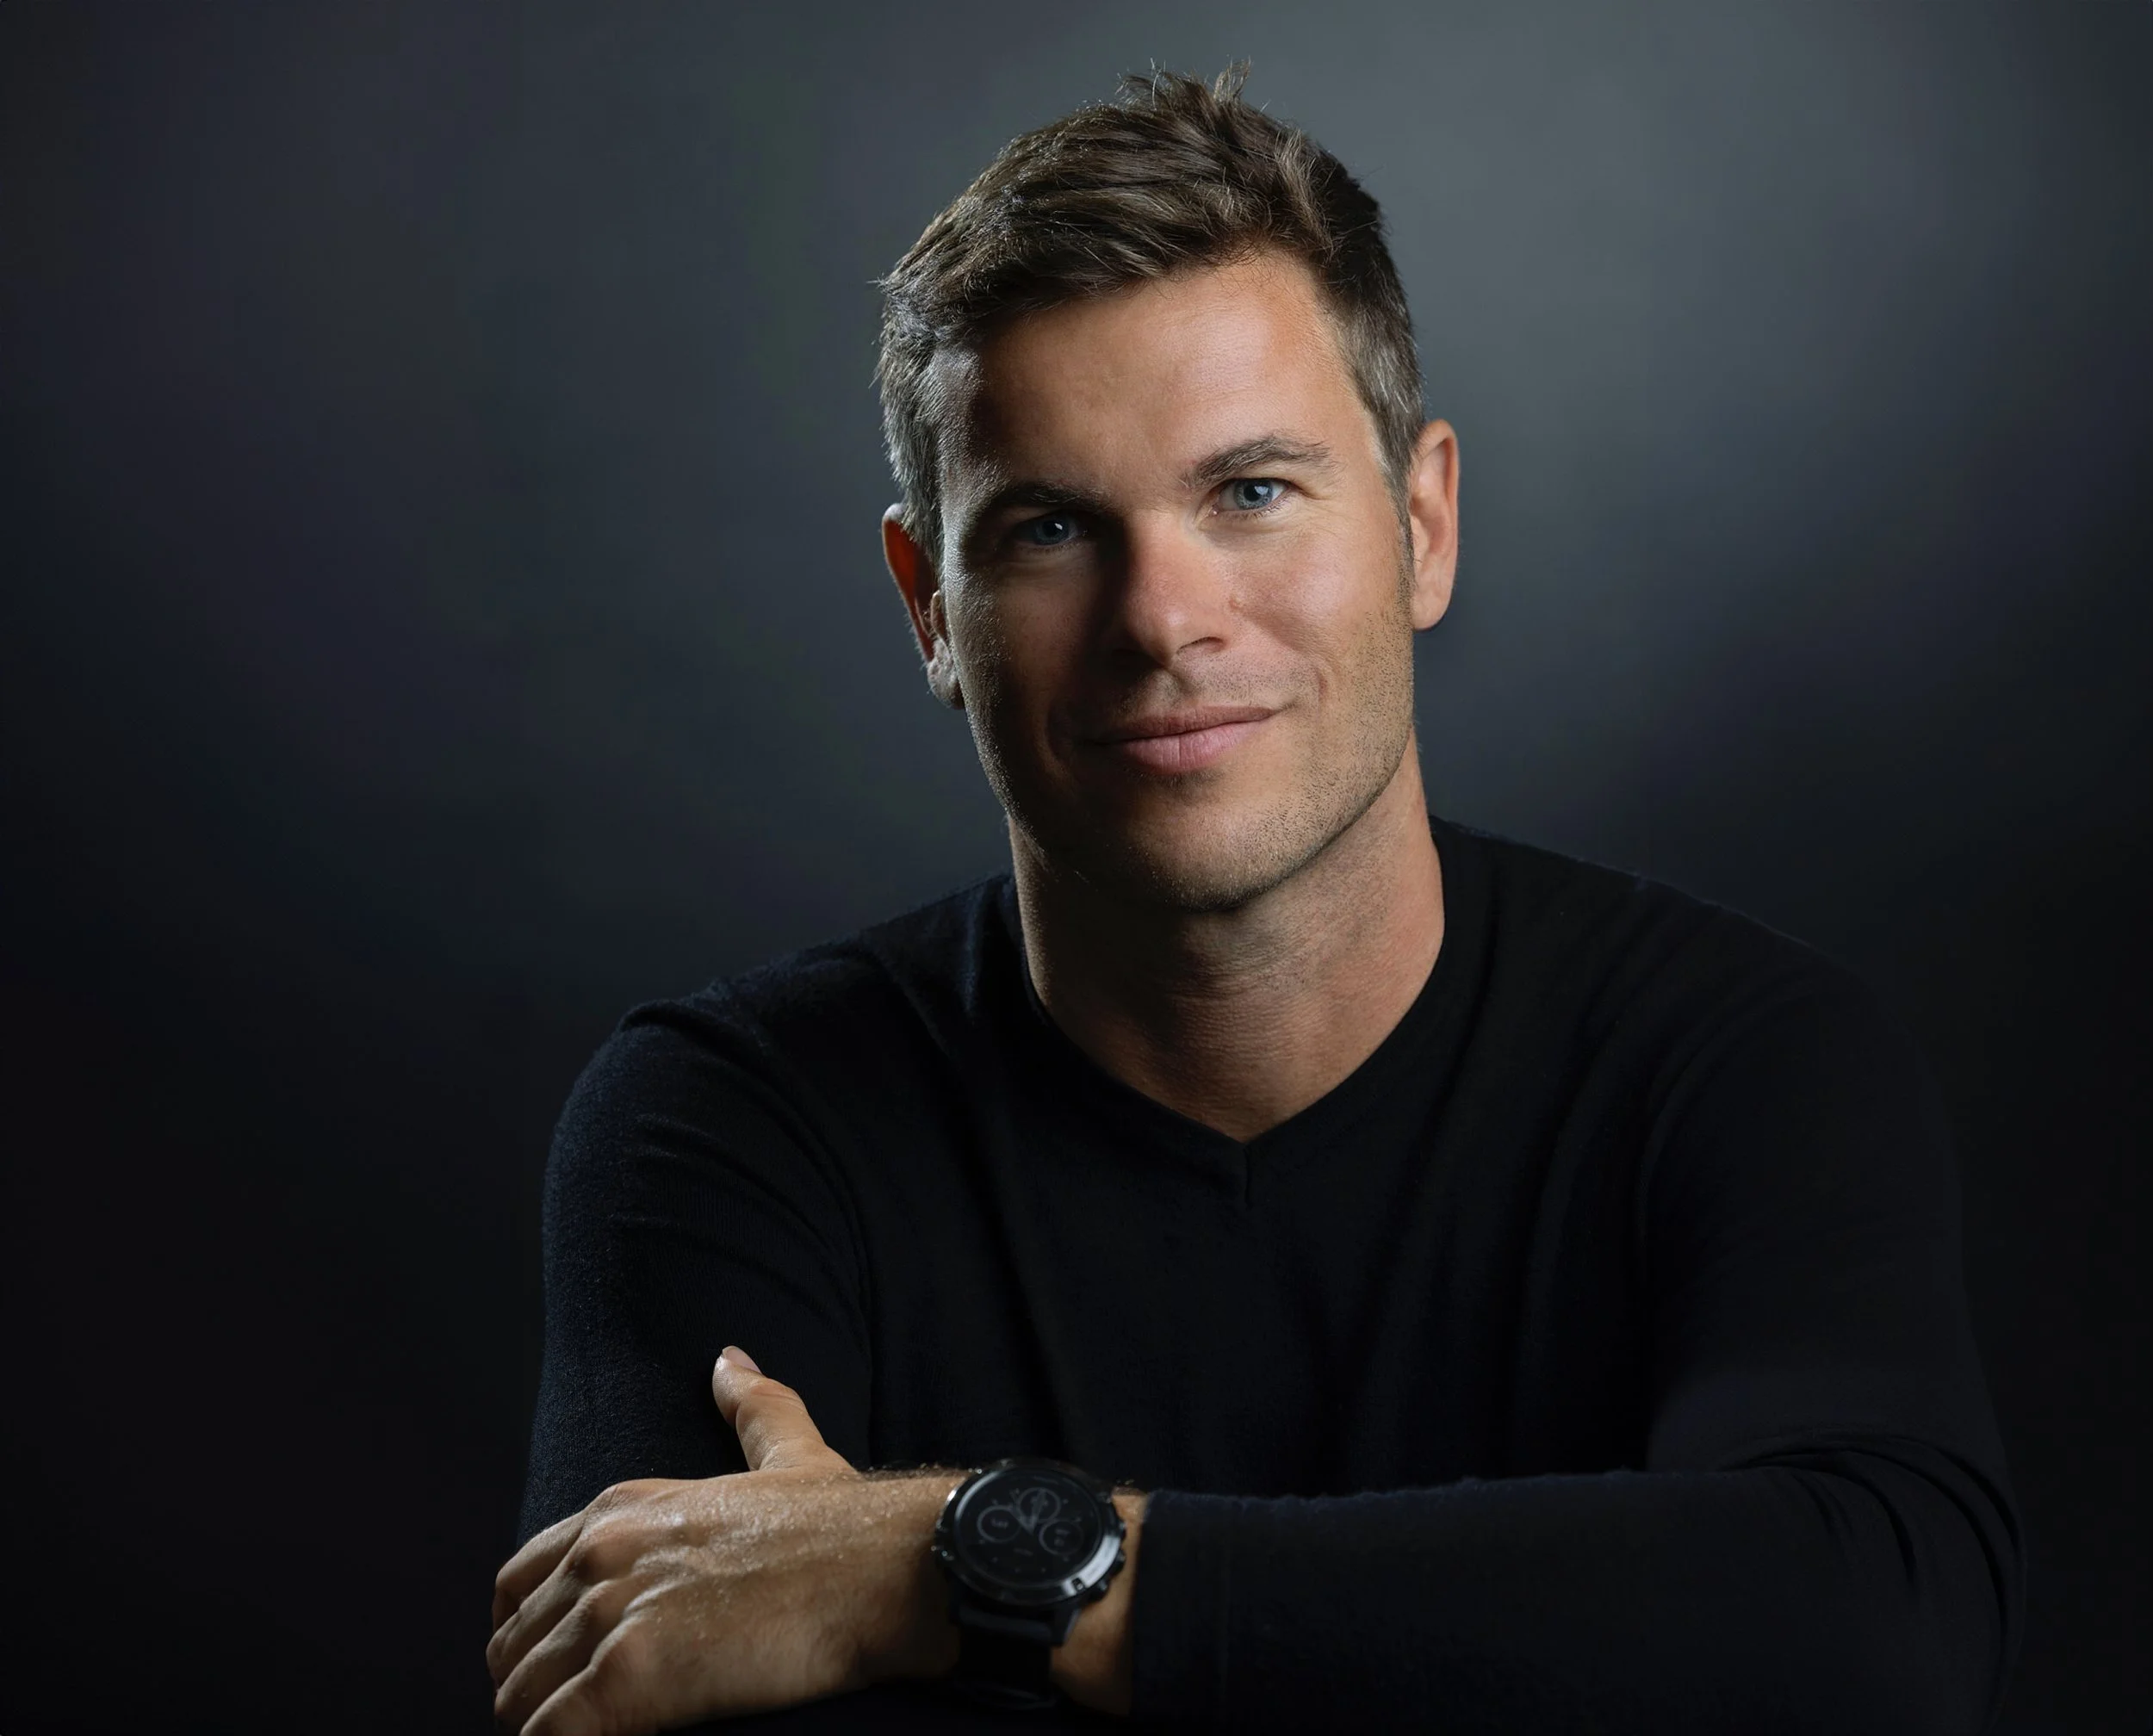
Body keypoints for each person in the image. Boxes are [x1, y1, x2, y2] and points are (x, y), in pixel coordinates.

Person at [487, 65, 2022, 1733]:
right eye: (1050, 527)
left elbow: (1870, 1638)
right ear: (929, 606)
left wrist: (945, 1570)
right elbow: (638, 1694)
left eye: (1251, 493)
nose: (1163, 619)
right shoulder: (731, 1124)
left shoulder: (1740, 1064)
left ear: (1422, 522)